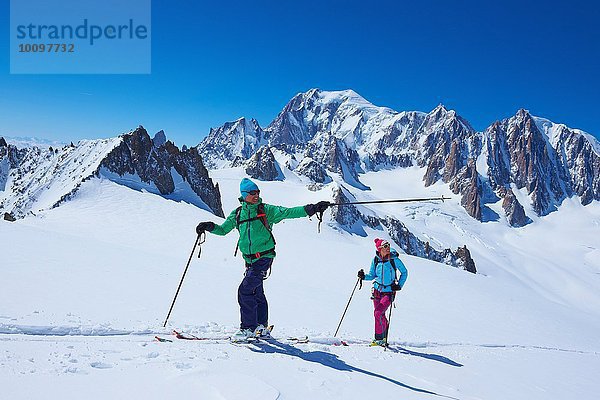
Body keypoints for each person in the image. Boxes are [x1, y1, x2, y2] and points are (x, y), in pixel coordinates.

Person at [196, 178, 330, 342]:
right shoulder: (238, 214)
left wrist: (312, 208)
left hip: (264, 257)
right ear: (244, 195)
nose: (256, 195)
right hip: (249, 260)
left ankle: (248, 328)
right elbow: (223, 230)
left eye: (258, 192)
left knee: (245, 290)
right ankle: (261, 327)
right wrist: (209, 227)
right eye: (253, 193)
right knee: (257, 292)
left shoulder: (265, 210)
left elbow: (288, 212)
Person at [358, 238, 408, 346]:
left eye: (388, 245)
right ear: (379, 249)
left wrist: (399, 285)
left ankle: (380, 339)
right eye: (385, 246)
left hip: (389, 292)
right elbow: (372, 275)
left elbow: (404, 272)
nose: (388, 248)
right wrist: (363, 277)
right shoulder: (375, 260)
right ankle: (382, 335)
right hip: (376, 291)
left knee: (378, 313)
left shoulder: (394, 259)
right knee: (379, 314)